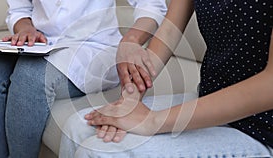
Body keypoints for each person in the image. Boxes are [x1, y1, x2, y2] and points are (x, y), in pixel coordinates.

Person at [61, 0, 273, 157]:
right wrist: (131, 98)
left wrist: (153, 121)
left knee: (98, 152)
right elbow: (169, 31)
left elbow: (269, 85)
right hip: (209, 97)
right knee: (78, 126)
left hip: (262, 128)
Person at [0, 0, 167, 157]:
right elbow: (20, 8)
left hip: (94, 45)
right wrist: (25, 28)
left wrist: (131, 40)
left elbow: (152, 5)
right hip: (41, 42)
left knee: (32, 74)